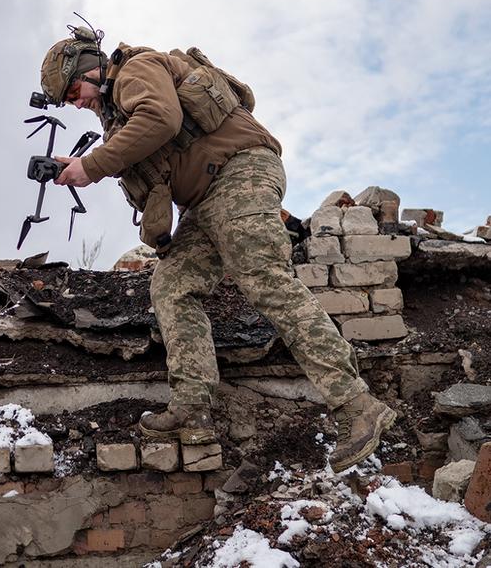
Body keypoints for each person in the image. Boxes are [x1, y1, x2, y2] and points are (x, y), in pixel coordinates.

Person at [38, 26, 396, 472]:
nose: (76, 103)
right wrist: (81, 167)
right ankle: (193, 407)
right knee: (172, 286)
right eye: (68, 101)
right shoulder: (114, 114)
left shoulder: (135, 70)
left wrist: (90, 166)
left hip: (238, 173)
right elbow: (147, 152)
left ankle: (356, 405)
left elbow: (162, 119)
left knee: (266, 282)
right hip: (203, 203)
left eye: (74, 91)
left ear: (91, 68)